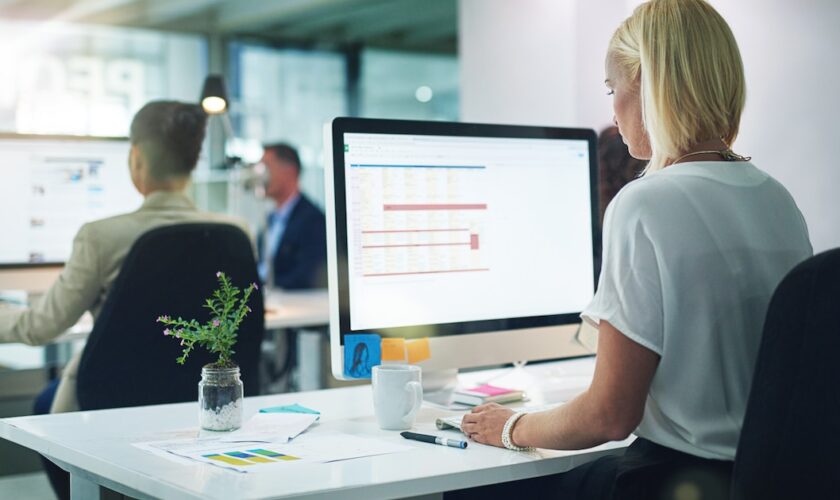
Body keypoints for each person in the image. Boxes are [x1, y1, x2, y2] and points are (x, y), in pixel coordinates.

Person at [453, 1, 813, 498]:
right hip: (766, 478)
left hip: (673, 479)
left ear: (648, 86)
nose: (613, 111)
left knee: (474, 490)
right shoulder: (777, 198)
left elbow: (609, 416)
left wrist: (512, 426)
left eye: (612, 90)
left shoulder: (644, 202)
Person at [0, 100, 252, 500]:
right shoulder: (235, 231)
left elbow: (41, 326)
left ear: (136, 158)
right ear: (192, 162)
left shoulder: (101, 236)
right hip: (201, 401)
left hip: (111, 397)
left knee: (44, 404)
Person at [258, 143, 327, 289]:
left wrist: (263, 286)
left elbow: (307, 276)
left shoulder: (313, 220)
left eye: (266, 168)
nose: (261, 176)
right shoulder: (269, 219)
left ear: (289, 171)